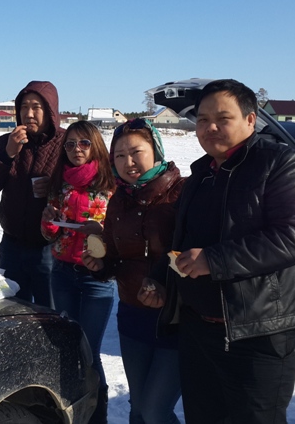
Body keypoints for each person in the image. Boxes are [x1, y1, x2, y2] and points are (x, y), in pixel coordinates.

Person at [138, 79, 295, 424]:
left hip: (258, 335)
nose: (210, 128)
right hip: (198, 333)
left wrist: (213, 259)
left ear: (251, 120)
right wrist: (162, 280)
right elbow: (183, 240)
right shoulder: (201, 174)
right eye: (203, 120)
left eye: (223, 118)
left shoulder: (281, 164)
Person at [84, 118, 184, 424]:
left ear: (156, 151)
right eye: (119, 155)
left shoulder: (182, 193)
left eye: (136, 152)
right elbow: (116, 255)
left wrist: (164, 285)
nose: (128, 162)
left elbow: (192, 250)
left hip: (175, 319)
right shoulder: (119, 199)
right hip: (132, 314)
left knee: (155, 411)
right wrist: (101, 265)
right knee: (139, 408)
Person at [40, 120, 115, 424]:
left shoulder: (111, 186)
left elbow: (121, 237)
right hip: (62, 273)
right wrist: (48, 220)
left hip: (95, 278)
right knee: (69, 349)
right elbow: (50, 234)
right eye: (70, 144)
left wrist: (101, 233)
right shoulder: (60, 184)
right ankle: (73, 412)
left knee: (90, 352)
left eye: (83, 143)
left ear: (95, 145)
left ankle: (98, 417)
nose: (76, 150)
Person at [0, 81, 65, 307]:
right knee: (12, 311)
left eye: (36, 107)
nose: (29, 114)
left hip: (49, 247)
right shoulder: (8, 141)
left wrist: (54, 188)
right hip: (12, 245)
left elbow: (88, 184)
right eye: (24, 107)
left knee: (51, 313)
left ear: (50, 110)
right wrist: (7, 154)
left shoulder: (66, 143)